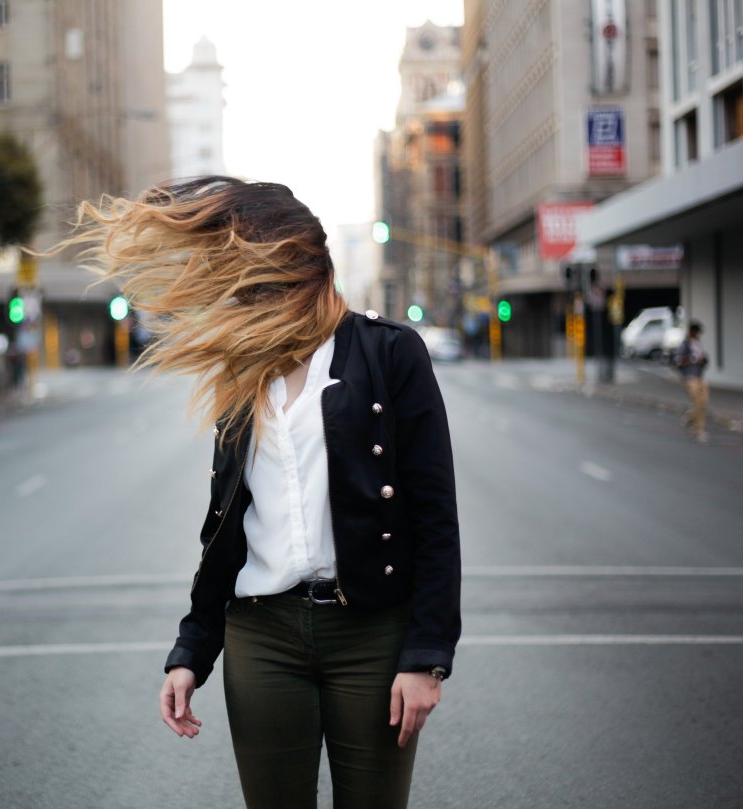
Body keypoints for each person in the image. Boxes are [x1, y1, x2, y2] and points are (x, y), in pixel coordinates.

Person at [62, 176, 461, 809]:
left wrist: (427, 655)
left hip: (371, 636)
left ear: (297, 269)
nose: (243, 294)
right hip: (262, 635)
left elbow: (436, 514)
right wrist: (192, 649)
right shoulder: (242, 370)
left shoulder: (391, 354)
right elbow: (225, 524)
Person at [675, 321, 710, 442]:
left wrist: (704, 360)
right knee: (697, 403)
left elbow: (703, 360)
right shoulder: (685, 344)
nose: (698, 334)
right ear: (691, 331)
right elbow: (678, 361)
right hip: (689, 377)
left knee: (704, 401)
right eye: (696, 332)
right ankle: (698, 430)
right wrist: (693, 359)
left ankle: (689, 417)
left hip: (699, 376)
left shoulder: (698, 344)